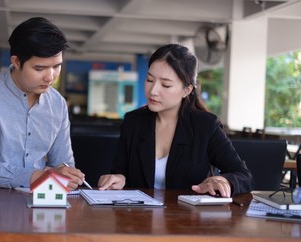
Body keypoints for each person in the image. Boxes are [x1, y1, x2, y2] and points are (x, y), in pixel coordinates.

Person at [98, 44, 253, 197]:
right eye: (150, 80)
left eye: (165, 85)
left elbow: (243, 175)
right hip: (140, 217)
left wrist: (224, 181)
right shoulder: (133, 122)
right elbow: (120, 171)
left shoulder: (205, 126)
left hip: (188, 218)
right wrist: (118, 179)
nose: (153, 91)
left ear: (187, 90)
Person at [0, 17, 86, 190]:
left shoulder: (58, 104)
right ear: (16, 62)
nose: (50, 77)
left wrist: (68, 176)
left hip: (41, 202)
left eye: (56, 66)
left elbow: (64, 164)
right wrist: (38, 176)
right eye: (39, 69)